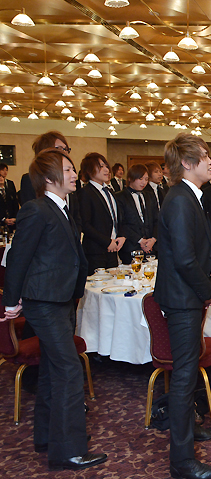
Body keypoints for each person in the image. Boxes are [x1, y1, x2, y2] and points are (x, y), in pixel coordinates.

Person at [3, 148, 106, 471]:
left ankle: (48, 437)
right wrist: (11, 301)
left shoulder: (62, 208)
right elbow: (18, 256)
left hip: (61, 300)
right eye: (68, 170)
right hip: (45, 302)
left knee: (51, 370)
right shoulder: (36, 209)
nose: (75, 175)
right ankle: (68, 451)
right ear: (49, 178)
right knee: (69, 370)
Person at [153, 134, 211, 479]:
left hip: (186, 296)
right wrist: (207, 290)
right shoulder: (181, 200)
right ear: (186, 163)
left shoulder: (189, 196)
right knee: (183, 376)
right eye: (205, 156)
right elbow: (184, 259)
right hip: (183, 299)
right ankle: (182, 462)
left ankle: (191, 429)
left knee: (189, 368)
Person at [78, 153, 125, 275]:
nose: (106, 170)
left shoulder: (109, 191)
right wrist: (107, 242)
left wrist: (121, 236)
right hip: (96, 252)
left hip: (113, 250)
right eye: (101, 166)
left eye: (106, 166)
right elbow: (85, 224)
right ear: (89, 170)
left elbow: (117, 218)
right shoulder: (85, 193)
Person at [114, 164, 157, 264]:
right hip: (131, 247)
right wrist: (140, 240)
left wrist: (153, 239)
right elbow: (122, 223)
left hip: (151, 248)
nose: (144, 182)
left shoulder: (150, 196)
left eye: (146, 179)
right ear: (130, 178)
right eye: (140, 179)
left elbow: (157, 219)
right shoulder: (120, 197)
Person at [0, 162, 19, 229]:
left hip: (11, 217)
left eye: (6, 170)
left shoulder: (9, 186)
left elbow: (14, 202)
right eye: (3, 170)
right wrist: (3, 219)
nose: (5, 172)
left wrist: (14, 218)